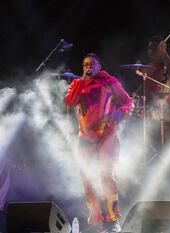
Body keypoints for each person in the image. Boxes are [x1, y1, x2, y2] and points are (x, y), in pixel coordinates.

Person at [66, 53, 134, 233]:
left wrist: (119, 113)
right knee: (87, 179)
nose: (88, 67)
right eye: (85, 64)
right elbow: (70, 102)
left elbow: (128, 102)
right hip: (85, 138)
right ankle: (96, 221)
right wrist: (81, 81)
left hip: (107, 136)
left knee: (106, 176)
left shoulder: (109, 82)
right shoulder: (77, 84)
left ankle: (112, 220)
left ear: (99, 66)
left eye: (92, 64)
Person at [144, 36, 170, 142]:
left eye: (154, 48)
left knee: (168, 140)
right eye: (149, 48)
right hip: (152, 112)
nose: (151, 51)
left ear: (161, 49)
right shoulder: (148, 68)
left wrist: (164, 53)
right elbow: (146, 91)